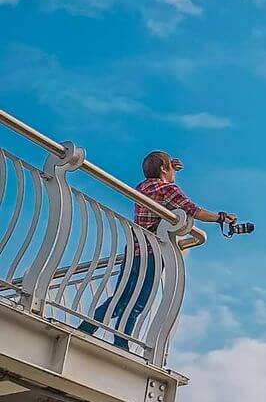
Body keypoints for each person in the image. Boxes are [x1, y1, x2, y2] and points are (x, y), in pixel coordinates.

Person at [79, 150, 237, 351]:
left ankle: (86, 329)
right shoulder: (168, 189)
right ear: (163, 169)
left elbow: (161, 184)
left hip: (134, 250)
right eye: (170, 167)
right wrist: (221, 217)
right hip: (152, 253)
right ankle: (121, 343)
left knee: (120, 298)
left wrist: (170, 168)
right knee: (139, 302)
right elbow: (194, 211)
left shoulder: (143, 187)